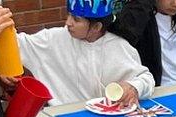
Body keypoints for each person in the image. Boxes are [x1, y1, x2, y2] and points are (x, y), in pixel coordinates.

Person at [19, 0, 155, 107]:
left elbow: (146, 78)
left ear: (97, 27)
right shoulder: (54, 39)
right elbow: (19, 43)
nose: (68, 23)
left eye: (76, 19)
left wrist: (134, 87)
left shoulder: (119, 46)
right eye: (69, 15)